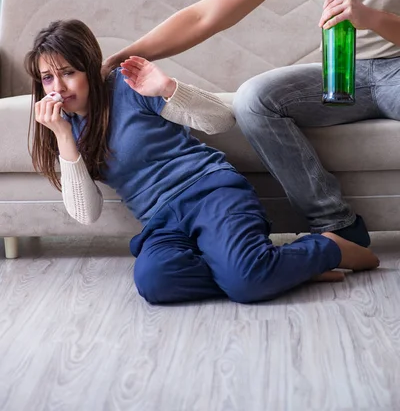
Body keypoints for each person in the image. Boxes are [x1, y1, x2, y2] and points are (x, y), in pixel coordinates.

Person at [103, 0, 400, 248]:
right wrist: (128, 53)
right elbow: (207, 14)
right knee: (253, 100)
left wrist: (369, 17)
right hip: (344, 72)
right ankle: (338, 226)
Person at [25, 19, 378, 305]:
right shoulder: (60, 124)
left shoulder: (128, 85)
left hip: (211, 193)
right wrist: (64, 138)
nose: (58, 87)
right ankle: (268, 267)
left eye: (68, 72)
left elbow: (222, 120)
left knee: (246, 285)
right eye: (47, 77)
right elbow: (87, 214)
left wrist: (167, 89)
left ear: (88, 67)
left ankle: (328, 248)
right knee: (156, 283)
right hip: (161, 222)